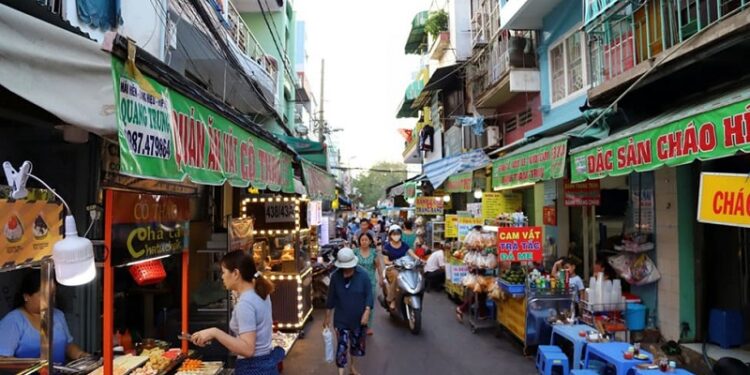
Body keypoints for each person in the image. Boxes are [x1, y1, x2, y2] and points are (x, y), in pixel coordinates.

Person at [191, 251, 283, 374]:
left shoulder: (246, 304)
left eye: (223, 272)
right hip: (267, 365)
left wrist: (215, 332)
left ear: (235, 273)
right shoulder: (259, 291)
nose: (222, 277)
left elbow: (248, 349)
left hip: (253, 369)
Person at [0, 270, 87, 364]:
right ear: (26, 297)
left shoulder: (58, 315)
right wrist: (36, 368)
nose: (50, 299)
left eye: (53, 294)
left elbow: (67, 345)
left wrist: (82, 356)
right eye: (44, 294)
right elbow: (3, 359)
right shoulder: (13, 321)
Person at [323, 248, 373, 375]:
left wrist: (367, 311)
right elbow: (331, 298)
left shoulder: (363, 275)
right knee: (341, 346)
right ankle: (341, 372)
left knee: (355, 346)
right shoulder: (335, 277)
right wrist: (327, 316)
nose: (347, 269)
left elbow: (369, 295)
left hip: (358, 319)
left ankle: (352, 368)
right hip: (341, 319)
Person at [381, 225, 420, 311]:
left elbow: (412, 254)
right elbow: (385, 261)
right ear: (390, 235)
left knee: (416, 274)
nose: (396, 235)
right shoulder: (387, 246)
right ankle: (392, 299)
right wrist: (393, 262)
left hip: (404, 267)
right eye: (394, 234)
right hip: (392, 268)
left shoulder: (404, 245)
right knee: (397, 276)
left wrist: (419, 259)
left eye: (398, 233)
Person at [353, 233, 382, 335]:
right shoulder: (355, 252)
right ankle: (357, 323)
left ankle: (368, 326)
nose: (364, 242)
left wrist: (381, 278)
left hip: (371, 282)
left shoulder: (374, 252)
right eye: (362, 240)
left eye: (366, 240)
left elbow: (378, 266)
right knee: (357, 304)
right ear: (359, 241)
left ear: (370, 241)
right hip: (356, 282)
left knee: (369, 305)